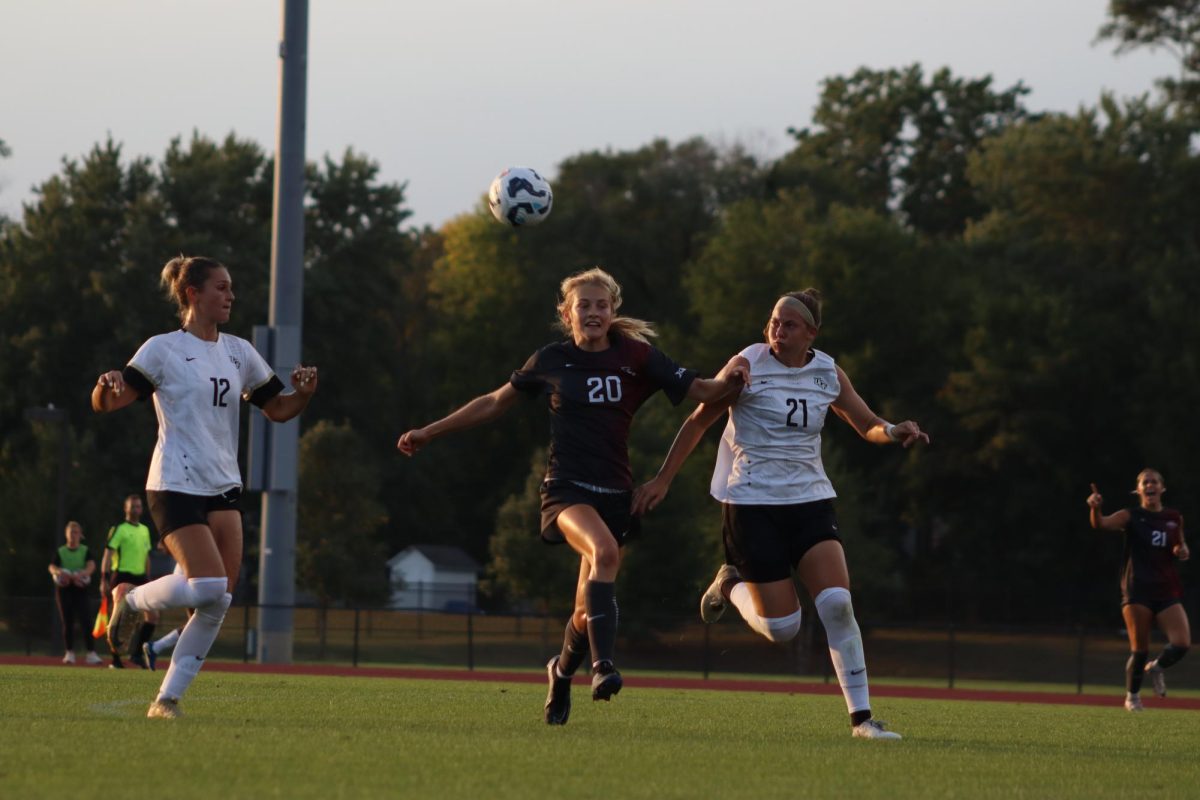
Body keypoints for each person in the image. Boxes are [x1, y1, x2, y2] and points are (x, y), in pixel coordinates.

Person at [397, 267, 747, 725]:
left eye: (602, 304)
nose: (594, 312)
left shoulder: (637, 357)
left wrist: (738, 376)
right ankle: (603, 668)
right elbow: (494, 402)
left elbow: (705, 392)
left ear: (613, 310)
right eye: (584, 305)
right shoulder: (551, 360)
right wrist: (430, 431)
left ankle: (561, 672)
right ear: (567, 313)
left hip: (615, 495)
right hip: (566, 491)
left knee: (585, 610)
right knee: (605, 553)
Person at [634, 289, 928, 740]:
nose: (777, 329)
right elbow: (697, 421)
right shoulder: (748, 363)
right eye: (774, 320)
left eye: (789, 324)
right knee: (784, 629)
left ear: (811, 333)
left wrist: (893, 430)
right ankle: (729, 583)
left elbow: (865, 423)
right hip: (752, 505)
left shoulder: (827, 371)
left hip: (810, 501)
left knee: (838, 604)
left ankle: (862, 720)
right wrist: (662, 480)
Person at [92, 255, 318, 719]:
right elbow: (108, 403)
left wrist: (305, 394)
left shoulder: (238, 351)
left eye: (231, 288)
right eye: (221, 287)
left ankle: (166, 700)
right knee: (209, 584)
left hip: (222, 486)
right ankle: (132, 601)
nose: (231, 295)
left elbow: (277, 408)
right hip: (174, 483)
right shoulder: (162, 349)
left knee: (217, 597)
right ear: (192, 294)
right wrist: (104, 386)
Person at [1087, 470, 1191, 712]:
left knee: (1182, 643)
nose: (1150, 485)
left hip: (1166, 590)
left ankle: (1157, 668)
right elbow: (1101, 523)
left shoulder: (1174, 517)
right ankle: (1132, 698)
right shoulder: (1131, 516)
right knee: (1139, 649)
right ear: (1139, 490)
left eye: (1154, 481)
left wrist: (1181, 550)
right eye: (1145, 482)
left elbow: (1179, 543)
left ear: (1162, 488)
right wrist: (1095, 508)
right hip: (1137, 590)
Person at [100, 494, 154, 668]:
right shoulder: (119, 529)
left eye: (138, 506)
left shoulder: (145, 530)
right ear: (126, 509)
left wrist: (148, 578)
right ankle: (116, 659)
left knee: (153, 615)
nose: (136, 509)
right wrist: (104, 579)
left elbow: (146, 556)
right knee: (117, 618)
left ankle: (137, 653)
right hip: (122, 575)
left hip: (140, 577)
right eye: (133, 506)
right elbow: (107, 554)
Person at [49, 521, 103, 665]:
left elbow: (91, 565)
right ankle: (69, 653)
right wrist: (60, 572)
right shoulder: (61, 551)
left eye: (76, 532)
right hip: (64, 590)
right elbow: (52, 566)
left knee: (86, 620)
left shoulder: (85, 550)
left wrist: (82, 573)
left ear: (81, 535)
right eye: (71, 532)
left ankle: (91, 653)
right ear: (66, 534)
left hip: (81, 589)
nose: (73, 535)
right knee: (68, 621)